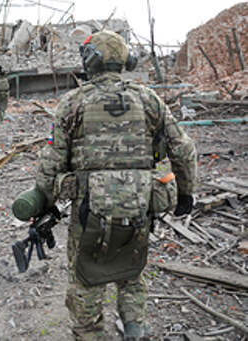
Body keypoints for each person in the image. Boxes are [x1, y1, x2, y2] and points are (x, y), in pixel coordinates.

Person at [33, 30, 197, 341]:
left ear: (89, 61)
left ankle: (89, 334)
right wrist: (186, 193)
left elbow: (51, 159)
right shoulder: (149, 99)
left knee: (86, 277)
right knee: (131, 272)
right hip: (138, 204)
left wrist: (43, 201)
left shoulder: (73, 102)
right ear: (124, 61)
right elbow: (184, 150)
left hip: (89, 209)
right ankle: (134, 329)